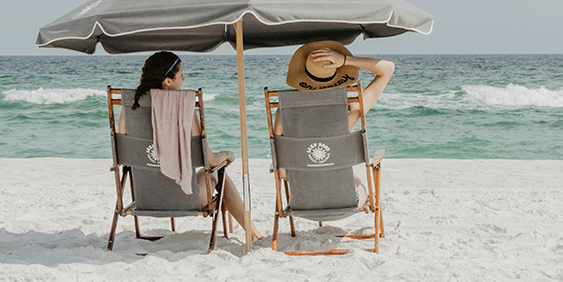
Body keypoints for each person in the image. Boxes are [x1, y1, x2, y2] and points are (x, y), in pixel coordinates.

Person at [117, 51, 263, 241]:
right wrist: (226, 155)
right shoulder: (184, 109)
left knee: (212, 174)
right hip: (184, 199)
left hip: (145, 197)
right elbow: (209, 161)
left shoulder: (129, 108)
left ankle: (251, 232)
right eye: (181, 75)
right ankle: (254, 235)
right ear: (167, 81)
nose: (184, 80)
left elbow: (123, 154)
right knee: (220, 175)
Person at [275, 40, 395, 208]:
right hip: (348, 201)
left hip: (302, 203)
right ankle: (369, 199)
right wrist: (346, 60)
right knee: (357, 179)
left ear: (303, 73)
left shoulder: (283, 113)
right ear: (338, 75)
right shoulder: (351, 112)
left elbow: (282, 173)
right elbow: (387, 69)